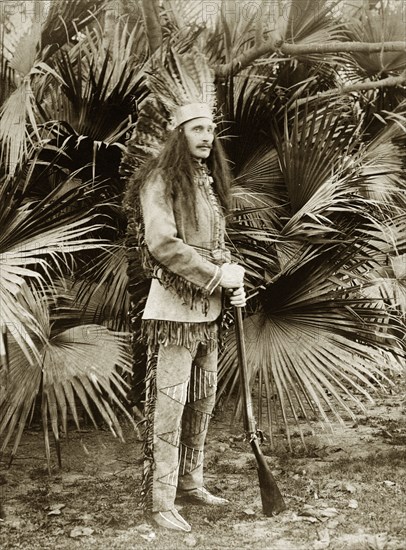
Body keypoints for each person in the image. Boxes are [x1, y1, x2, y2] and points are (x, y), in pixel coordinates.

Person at [126, 101, 246, 532]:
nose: (206, 136)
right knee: (170, 405)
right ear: (179, 134)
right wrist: (216, 276)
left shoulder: (206, 182)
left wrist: (234, 273)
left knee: (203, 400)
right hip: (174, 311)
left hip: (208, 312)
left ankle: (190, 483)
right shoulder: (161, 179)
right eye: (197, 128)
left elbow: (214, 244)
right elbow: (163, 245)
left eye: (211, 128)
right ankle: (160, 501)